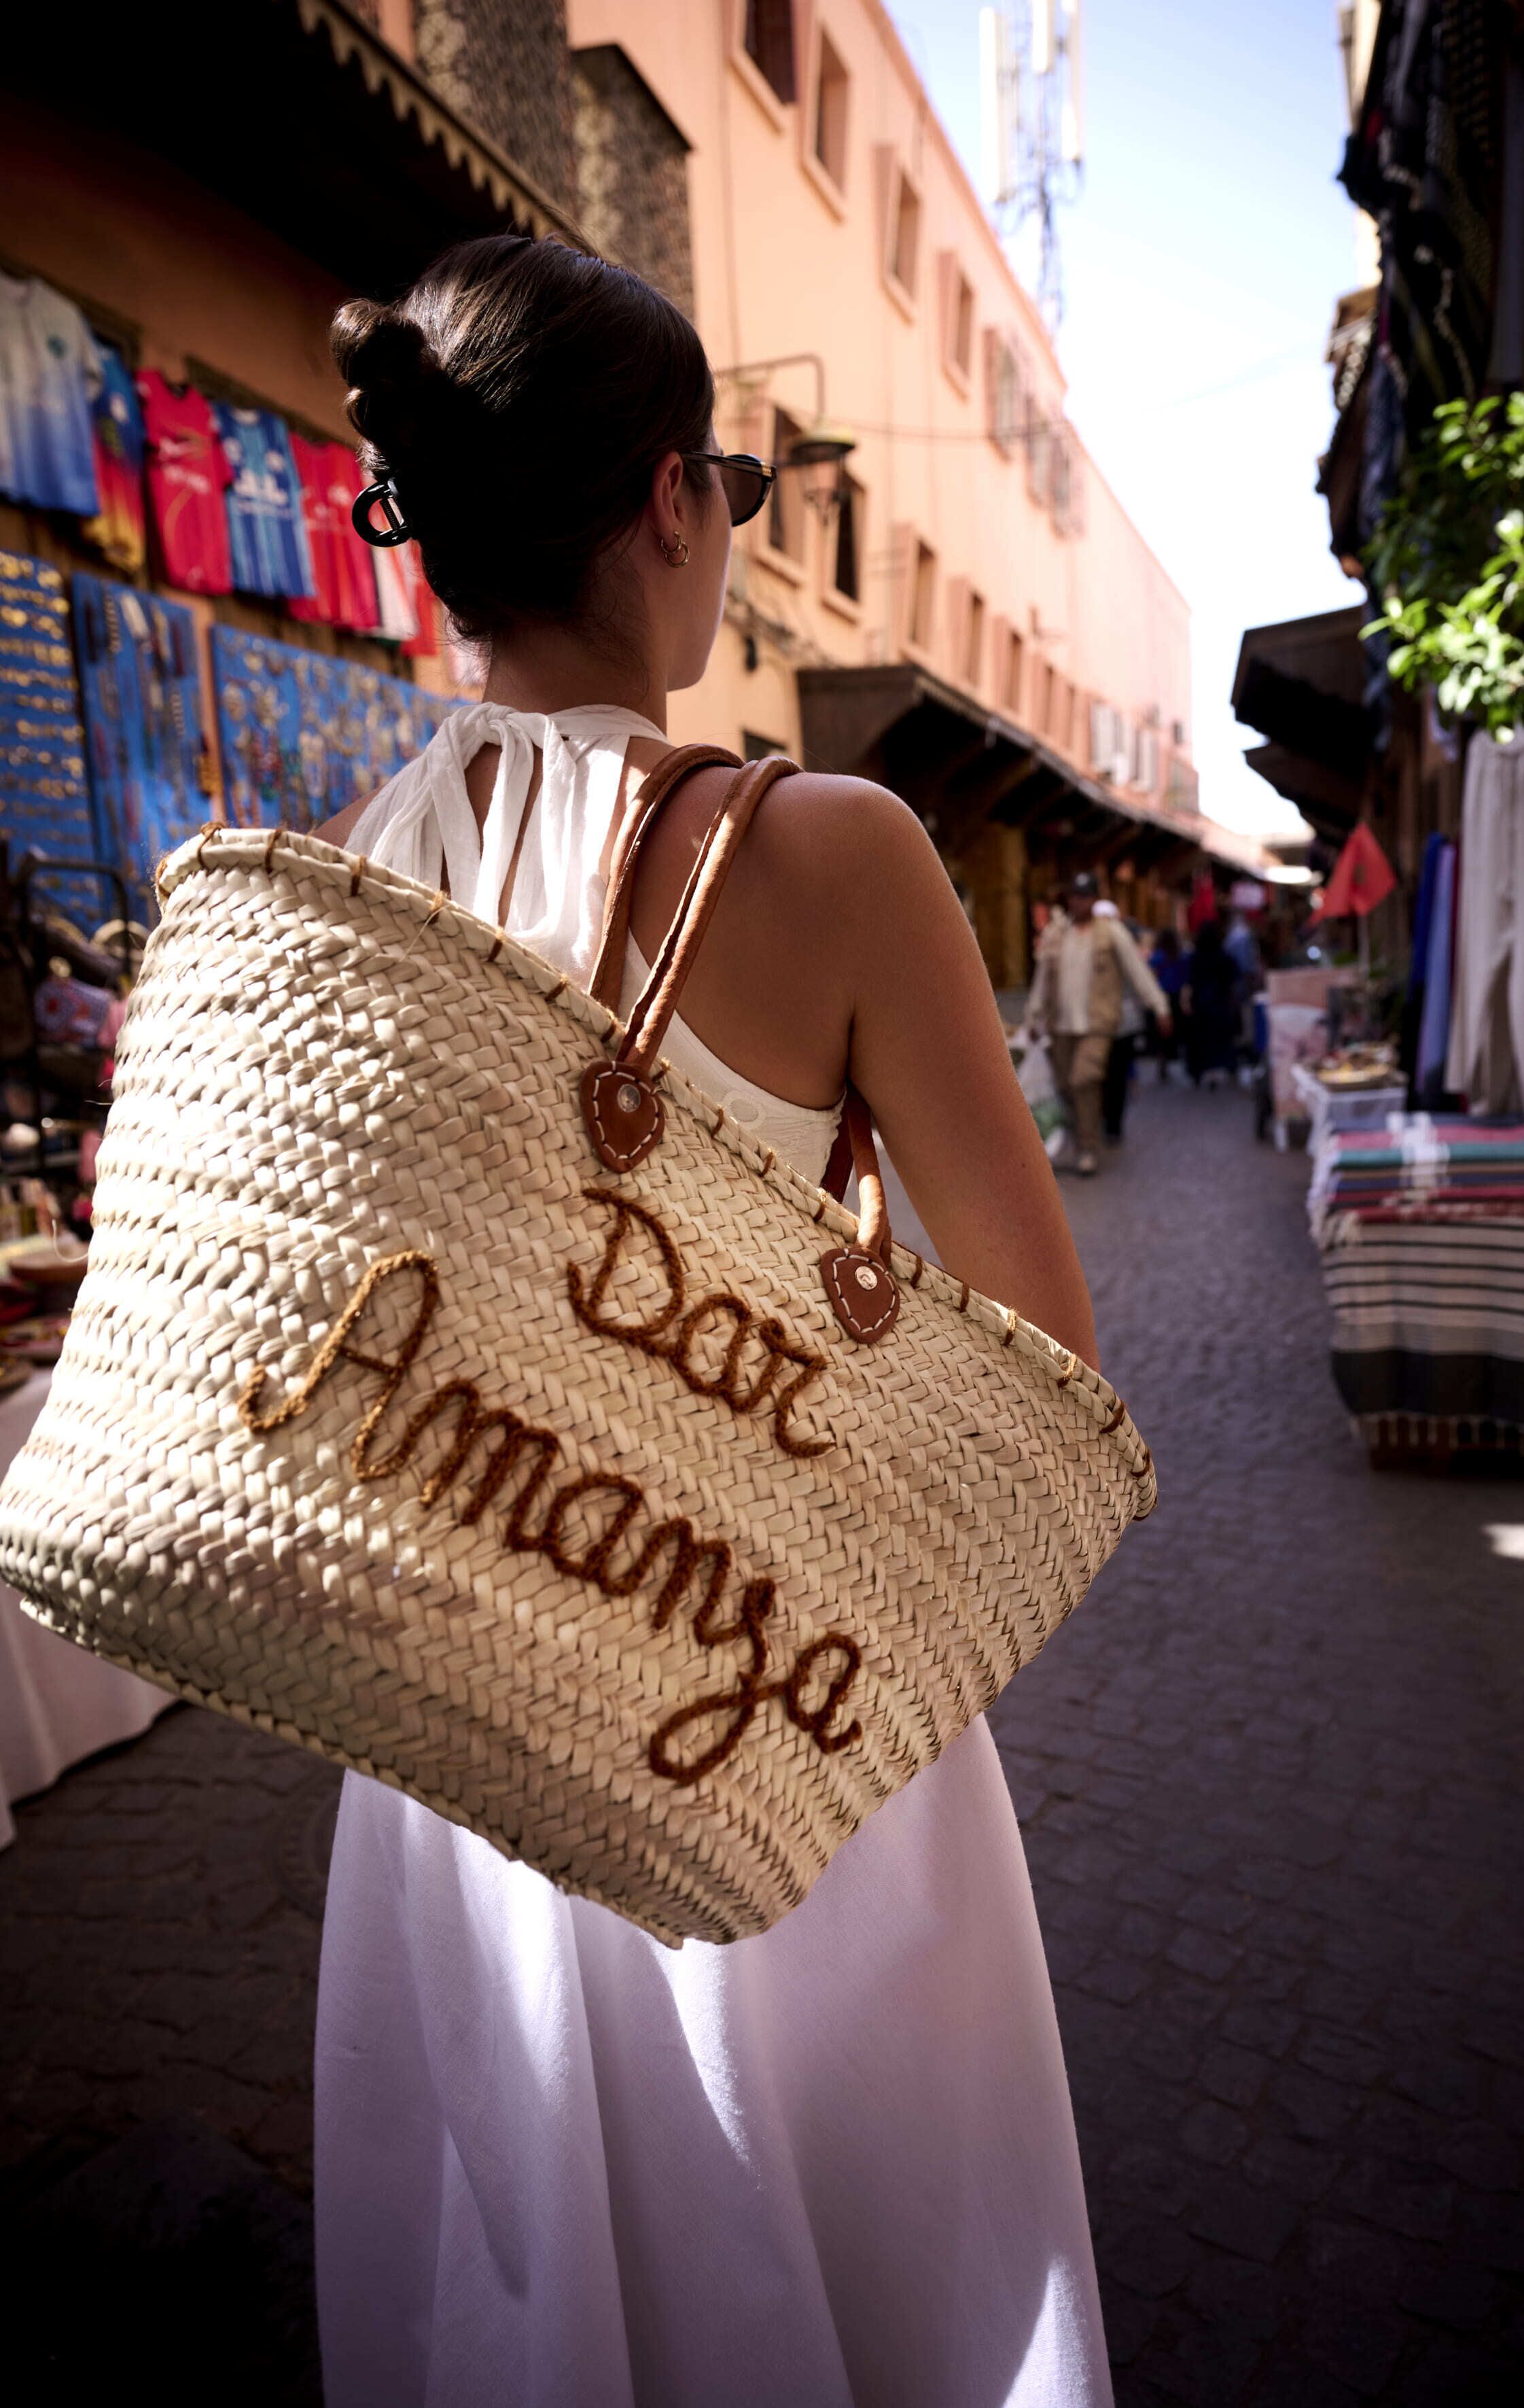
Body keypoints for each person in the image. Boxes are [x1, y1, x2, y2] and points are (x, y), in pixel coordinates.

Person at [309, 234, 1114, 2408]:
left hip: (461, 1742)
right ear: (670, 503)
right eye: (736, 496)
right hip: (772, 1696)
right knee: (857, 2278)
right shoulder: (829, 850)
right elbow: (1045, 1358)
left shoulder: (351, 864)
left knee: (530, 2284)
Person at [1026, 871, 1170, 1176]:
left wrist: (1158, 1005)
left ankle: (1088, 1148)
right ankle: (1081, 1139)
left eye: (1086, 897)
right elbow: (1042, 980)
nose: (1080, 903)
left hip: (1097, 1024)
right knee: (1066, 1085)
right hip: (1062, 1025)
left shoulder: (1111, 933)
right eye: (1076, 897)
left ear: (1094, 899)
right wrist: (1034, 1015)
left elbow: (1137, 971)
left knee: (1084, 1080)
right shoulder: (1056, 934)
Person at [1093, 899, 1146, 1143]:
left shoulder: (1124, 947)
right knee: (1102, 1076)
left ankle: (1112, 1125)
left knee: (1116, 1076)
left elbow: (1139, 981)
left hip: (1122, 1024)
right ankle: (1104, 1122)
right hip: (1099, 1025)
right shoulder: (1088, 948)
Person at [1182, 918, 1239, 1086]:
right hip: (1219, 1004)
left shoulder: (1195, 957)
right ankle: (1220, 1069)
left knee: (1202, 1040)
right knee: (1219, 1040)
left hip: (1201, 1004)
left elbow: (1188, 981)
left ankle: (1200, 1071)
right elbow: (1234, 979)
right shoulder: (1223, 957)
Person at [1149, 927, 1189, 1079]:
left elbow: (1152, 974)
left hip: (1162, 996)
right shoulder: (1179, 956)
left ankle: (1163, 1059)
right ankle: (1168, 1057)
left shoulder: (1159, 956)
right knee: (1171, 1031)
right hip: (1174, 997)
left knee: (1162, 1032)